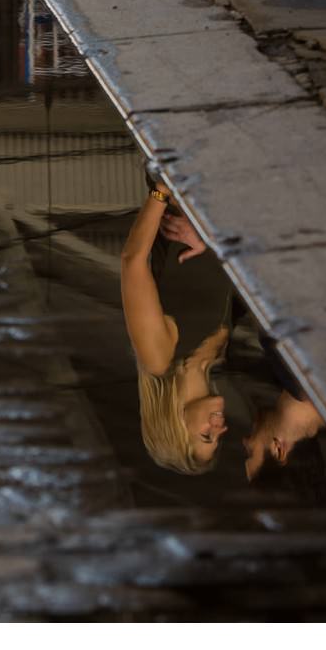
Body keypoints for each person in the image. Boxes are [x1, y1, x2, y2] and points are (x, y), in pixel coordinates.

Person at [120, 185, 231, 473]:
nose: (220, 428)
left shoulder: (159, 358)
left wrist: (160, 190)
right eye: (217, 438)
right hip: (225, 193)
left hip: (184, 184)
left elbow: (133, 263)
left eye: (206, 435)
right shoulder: (216, 356)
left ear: (174, 427)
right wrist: (212, 240)